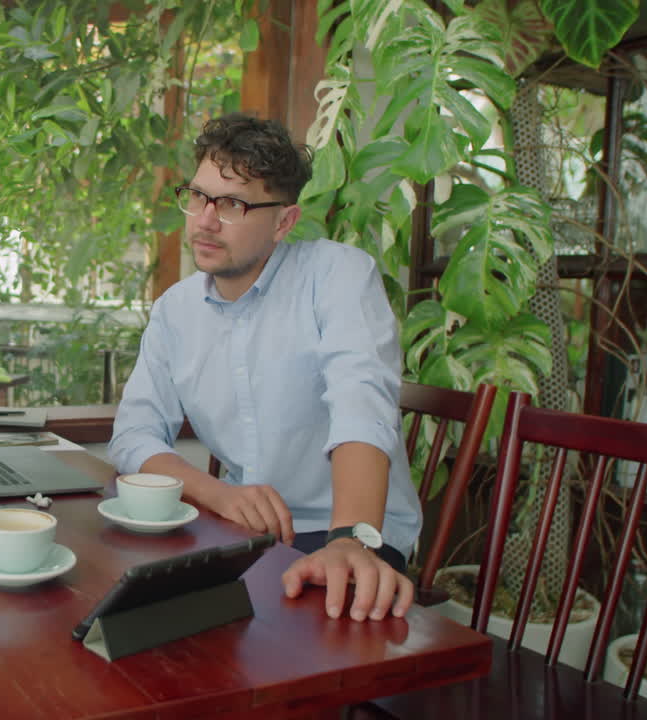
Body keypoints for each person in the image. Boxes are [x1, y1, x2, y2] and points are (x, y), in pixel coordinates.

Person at [108, 113, 421, 623]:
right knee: (131, 625)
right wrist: (220, 494)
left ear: (284, 222)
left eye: (233, 204)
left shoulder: (338, 275)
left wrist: (349, 539)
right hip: (239, 531)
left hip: (345, 531)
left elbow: (362, 408)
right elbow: (133, 437)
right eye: (198, 197)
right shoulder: (175, 311)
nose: (204, 221)